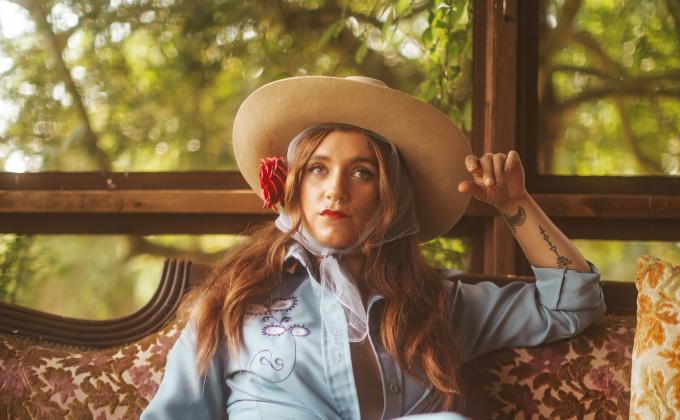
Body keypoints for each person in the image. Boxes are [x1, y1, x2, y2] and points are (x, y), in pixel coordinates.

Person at [140, 76, 605, 420]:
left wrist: (514, 205)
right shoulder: (234, 300)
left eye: (362, 173)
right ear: (294, 186)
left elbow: (571, 304)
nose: (334, 191)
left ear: (391, 197)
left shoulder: (437, 304)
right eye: (318, 170)